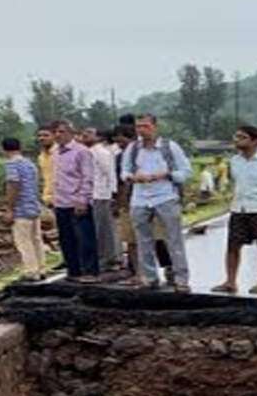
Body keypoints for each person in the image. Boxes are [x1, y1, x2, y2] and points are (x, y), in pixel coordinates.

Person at [121, 113, 193, 292]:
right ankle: (149, 277)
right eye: (138, 127)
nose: (142, 130)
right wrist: (132, 177)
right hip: (140, 197)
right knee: (143, 240)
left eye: (145, 126)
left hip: (165, 196)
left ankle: (181, 279)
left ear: (155, 127)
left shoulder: (169, 147)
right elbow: (124, 171)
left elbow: (185, 172)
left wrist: (165, 174)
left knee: (173, 239)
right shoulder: (133, 148)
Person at [212, 124, 257, 296]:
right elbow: (234, 182)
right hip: (239, 208)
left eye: (242, 137)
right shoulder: (234, 161)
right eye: (236, 137)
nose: (237, 141)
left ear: (255, 141)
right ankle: (230, 281)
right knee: (233, 245)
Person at [49, 120, 99, 282]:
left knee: (84, 238)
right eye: (55, 132)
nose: (58, 135)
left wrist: (83, 199)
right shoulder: (55, 152)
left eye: (62, 131)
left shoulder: (81, 152)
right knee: (66, 239)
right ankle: (74, 271)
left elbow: (87, 177)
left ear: (71, 133)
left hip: (77, 201)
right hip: (61, 201)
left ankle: (90, 271)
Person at [1, 137, 44, 280]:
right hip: (33, 205)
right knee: (36, 239)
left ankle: (31, 271)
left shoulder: (11, 164)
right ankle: (41, 268)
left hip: (21, 209)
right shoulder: (30, 164)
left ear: (4, 150)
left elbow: (13, 185)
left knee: (23, 241)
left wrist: (9, 208)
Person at [87, 127, 120, 270]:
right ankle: (108, 258)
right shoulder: (89, 152)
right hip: (93, 194)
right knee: (99, 228)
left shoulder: (101, 153)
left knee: (103, 228)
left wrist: (113, 193)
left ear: (99, 137)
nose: (84, 136)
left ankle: (109, 258)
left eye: (89, 134)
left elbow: (110, 173)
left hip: (101, 194)